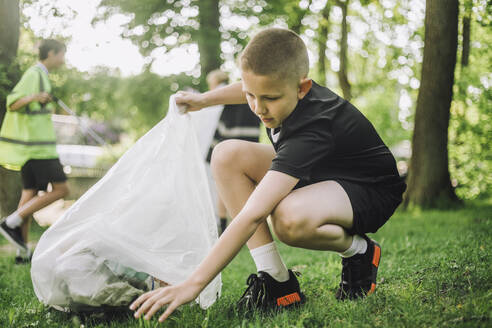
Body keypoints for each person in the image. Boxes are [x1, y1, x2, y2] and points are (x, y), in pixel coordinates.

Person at [130, 28, 406, 322]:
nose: (258, 108)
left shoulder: (313, 128)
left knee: (288, 220)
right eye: (252, 95)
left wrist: (193, 283)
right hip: (323, 172)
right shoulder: (277, 89)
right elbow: (250, 86)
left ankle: (359, 251)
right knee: (226, 156)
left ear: (302, 88)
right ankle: (277, 282)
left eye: (269, 99)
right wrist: (204, 101)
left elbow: (252, 215)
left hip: (368, 189)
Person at [0, 39, 69, 263]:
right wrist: (34, 97)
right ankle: (10, 222)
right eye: (62, 54)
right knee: (62, 190)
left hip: (34, 148)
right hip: (40, 149)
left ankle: (22, 252)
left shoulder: (42, 76)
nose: (63, 59)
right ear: (51, 53)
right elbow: (12, 102)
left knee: (29, 195)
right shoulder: (35, 74)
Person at [205, 69, 260, 234]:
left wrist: (211, 150)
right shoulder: (247, 94)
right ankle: (249, 226)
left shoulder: (225, 98)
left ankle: (225, 227)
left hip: (230, 143)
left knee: (225, 188)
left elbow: (220, 125)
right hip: (251, 141)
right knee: (250, 186)